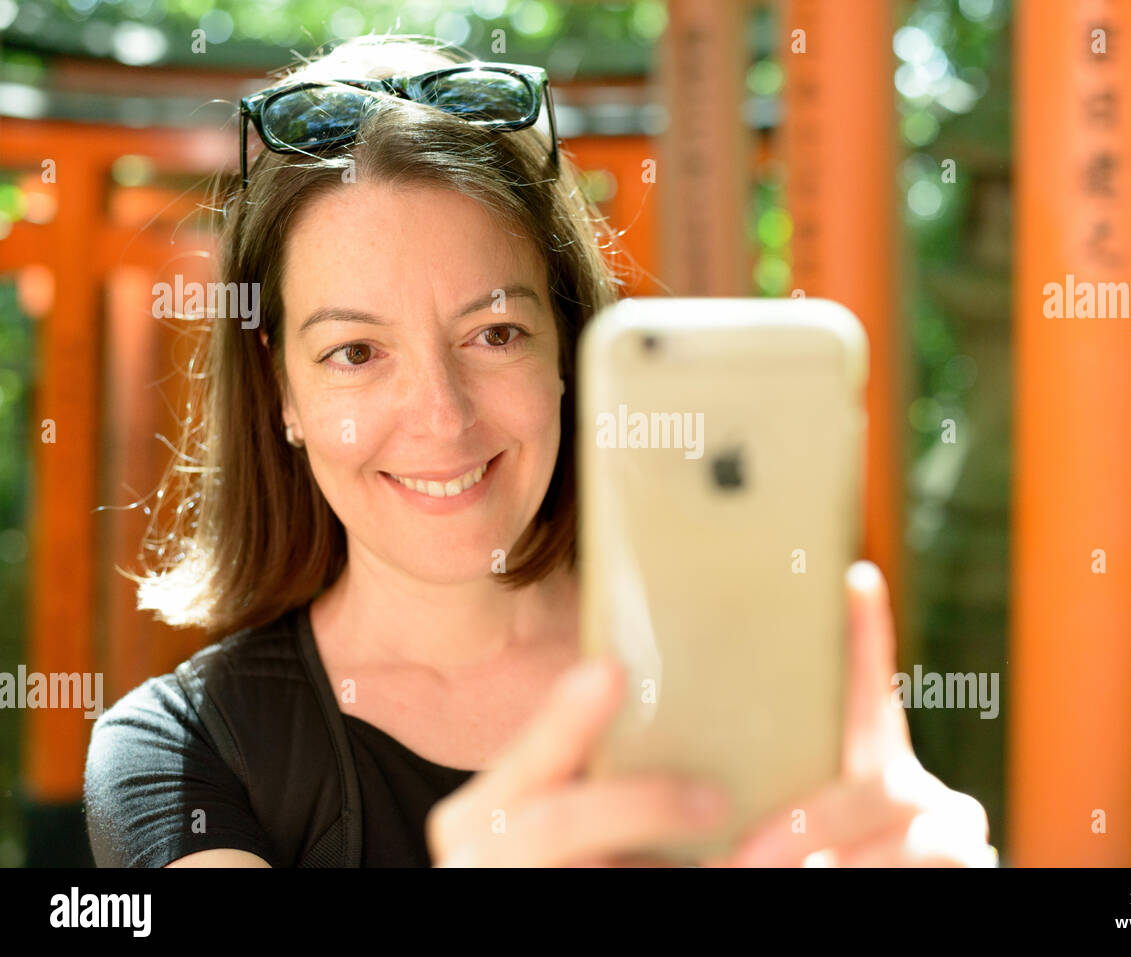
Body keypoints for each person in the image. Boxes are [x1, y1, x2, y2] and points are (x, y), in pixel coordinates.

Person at [82, 35, 995, 868]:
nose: (442, 416)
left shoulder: (758, 678)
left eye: (495, 334)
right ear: (281, 389)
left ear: (568, 350)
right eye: (355, 352)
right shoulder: (182, 752)